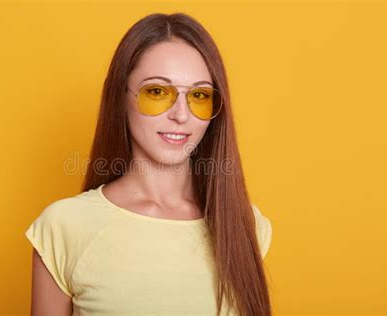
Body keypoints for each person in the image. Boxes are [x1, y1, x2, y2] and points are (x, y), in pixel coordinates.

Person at [25, 12, 273, 316]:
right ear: (120, 97)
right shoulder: (64, 227)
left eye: (198, 95)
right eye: (157, 92)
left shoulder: (245, 225)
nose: (181, 115)